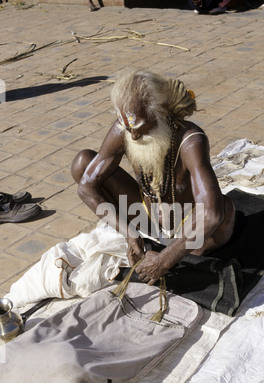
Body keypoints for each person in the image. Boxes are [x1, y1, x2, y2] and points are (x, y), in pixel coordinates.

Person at [71, 69, 235, 286]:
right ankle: (158, 244)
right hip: (144, 217)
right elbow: (86, 187)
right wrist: (129, 233)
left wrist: (165, 260)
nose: (134, 136)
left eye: (139, 128)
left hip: (185, 228)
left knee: (223, 208)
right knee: (83, 163)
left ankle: (181, 254)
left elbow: (212, 214)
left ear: (163, 114)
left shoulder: (191, 141)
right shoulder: (128, 129)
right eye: (128, 129)